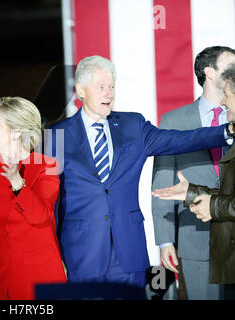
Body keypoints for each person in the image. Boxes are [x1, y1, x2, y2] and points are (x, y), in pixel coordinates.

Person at [45, 55, 233, 294]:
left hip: (128, 253)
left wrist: (226, 131)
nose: (108, 93)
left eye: (112, 86)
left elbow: (180, 139)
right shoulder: (55, 136)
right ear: (81, 90)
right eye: (101, 87)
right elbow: (48, 200)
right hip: (81, 253)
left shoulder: (133, 125)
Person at [0, 96, 67, 300]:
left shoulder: (47, 166)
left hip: (35, 281)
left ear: (17, 131)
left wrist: (17, 182)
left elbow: (40, 217)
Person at [151, 46, 235, 299]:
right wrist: (165, 240)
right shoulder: (173, 121)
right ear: (210, 72)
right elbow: (162, 184)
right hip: (196, 240)